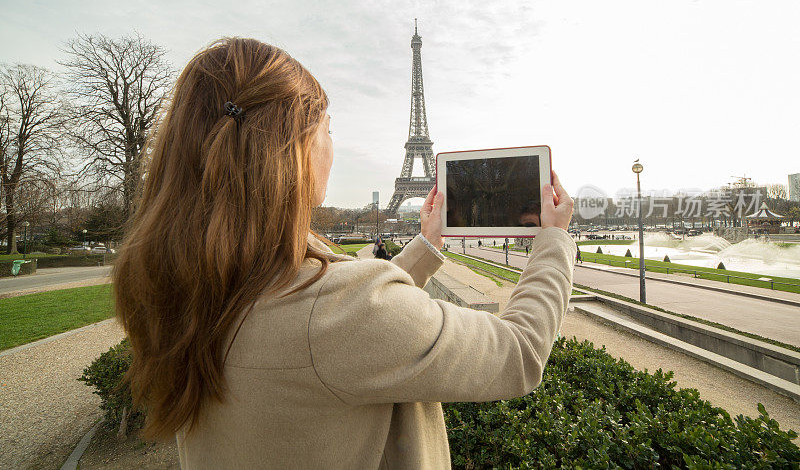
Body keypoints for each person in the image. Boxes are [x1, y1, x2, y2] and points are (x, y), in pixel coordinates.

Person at [112, 38, 576, 469]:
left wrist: (426, 245)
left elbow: (341, 318)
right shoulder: (338, 313)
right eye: (328, 130)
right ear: (295, 150)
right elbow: (519, 352)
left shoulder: (189, 280)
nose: (331, 146)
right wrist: (553, 239)